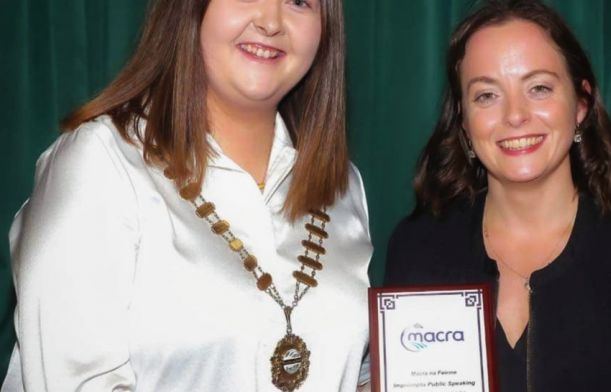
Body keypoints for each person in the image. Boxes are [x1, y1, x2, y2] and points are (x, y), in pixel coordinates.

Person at [2, 0, 372, 391]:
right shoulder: (100, 163)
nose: (270, 21)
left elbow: (346, 369)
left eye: (299, 1)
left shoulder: (343, 186)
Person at [384, 0, 611, 391]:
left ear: (581, 103)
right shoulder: (417, 246)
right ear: (464, 122)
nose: (515, 115)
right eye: (487, 95)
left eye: (539, 88)